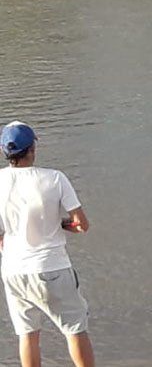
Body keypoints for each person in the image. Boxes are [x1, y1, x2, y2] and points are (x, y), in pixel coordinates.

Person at [0, 122, 94, 367]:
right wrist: (63, 224)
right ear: (32, 148)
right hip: (52, 268)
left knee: (28, 335)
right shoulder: (54, 178)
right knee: (74, 329)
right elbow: (81, 224)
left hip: (13, 271)